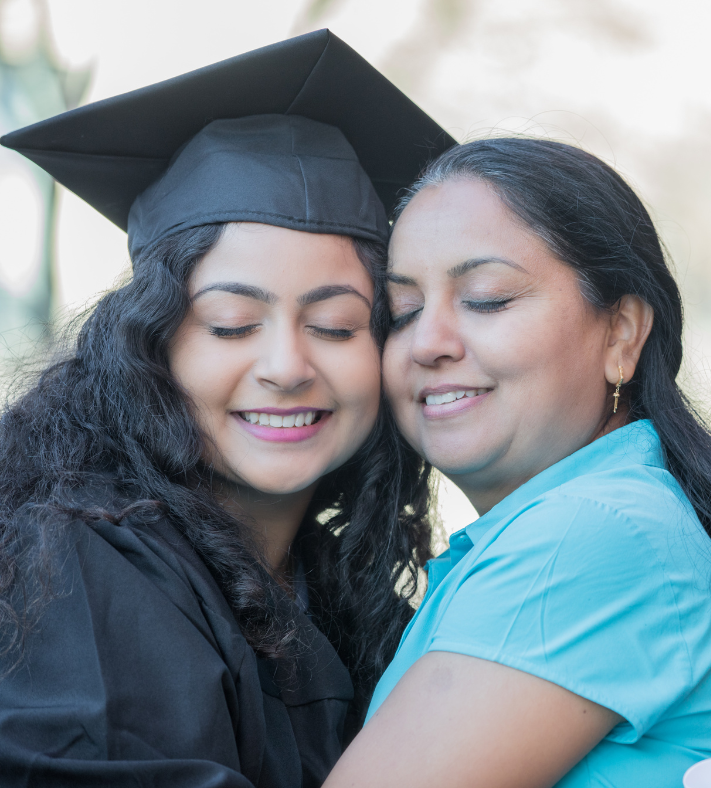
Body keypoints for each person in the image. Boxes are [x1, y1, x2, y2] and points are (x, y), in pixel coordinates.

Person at [0, 30, 452, 787]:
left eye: (336, 326)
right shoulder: (81, 564)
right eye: (232, 325)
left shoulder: (340, 599)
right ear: (152, 344)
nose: (285, 366)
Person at [323, 138, 711, 788]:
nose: (427, 343)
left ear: (622, 333)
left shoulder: (592, 533)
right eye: (402, 312)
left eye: (487, 298)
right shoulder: (586, 526)